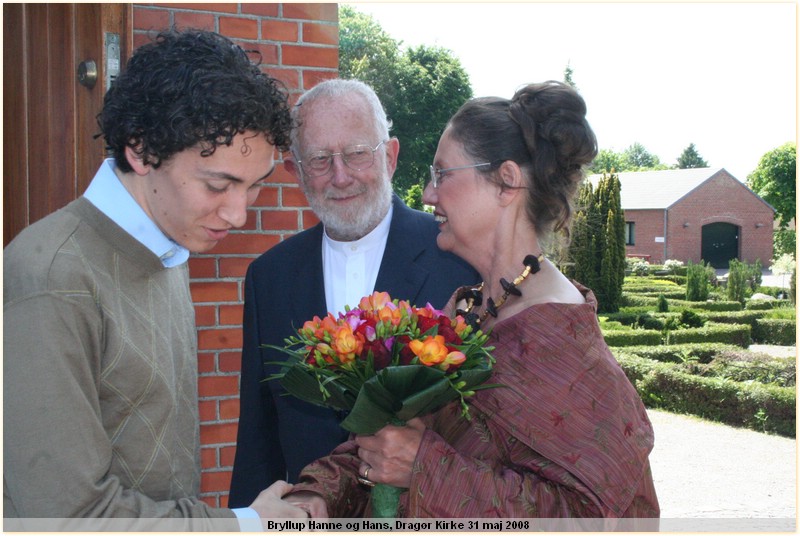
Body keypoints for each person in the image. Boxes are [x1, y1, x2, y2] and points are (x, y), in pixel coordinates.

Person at [283, 81, 660, 520]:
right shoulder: (469, 308)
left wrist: (424, 468)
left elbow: (592, 517)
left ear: (506, 181)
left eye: (442, 174)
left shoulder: (557, 334)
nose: (427, 194)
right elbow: (391, 435)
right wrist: (311, 501)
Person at [3, 28, 310, 529]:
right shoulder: (52, 277)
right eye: (219, 184)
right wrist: (247, 524)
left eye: (253, 187)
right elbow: (64, 519)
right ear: (141, 150)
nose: (238, 214)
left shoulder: (166, 248)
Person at [228, 79, 480, 507]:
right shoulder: (269, 277)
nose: (340, 176)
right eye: (321, 160)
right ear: (296, 172)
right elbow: (259, 437)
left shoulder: (459, 259)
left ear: (391, 156)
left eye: (358, 154)